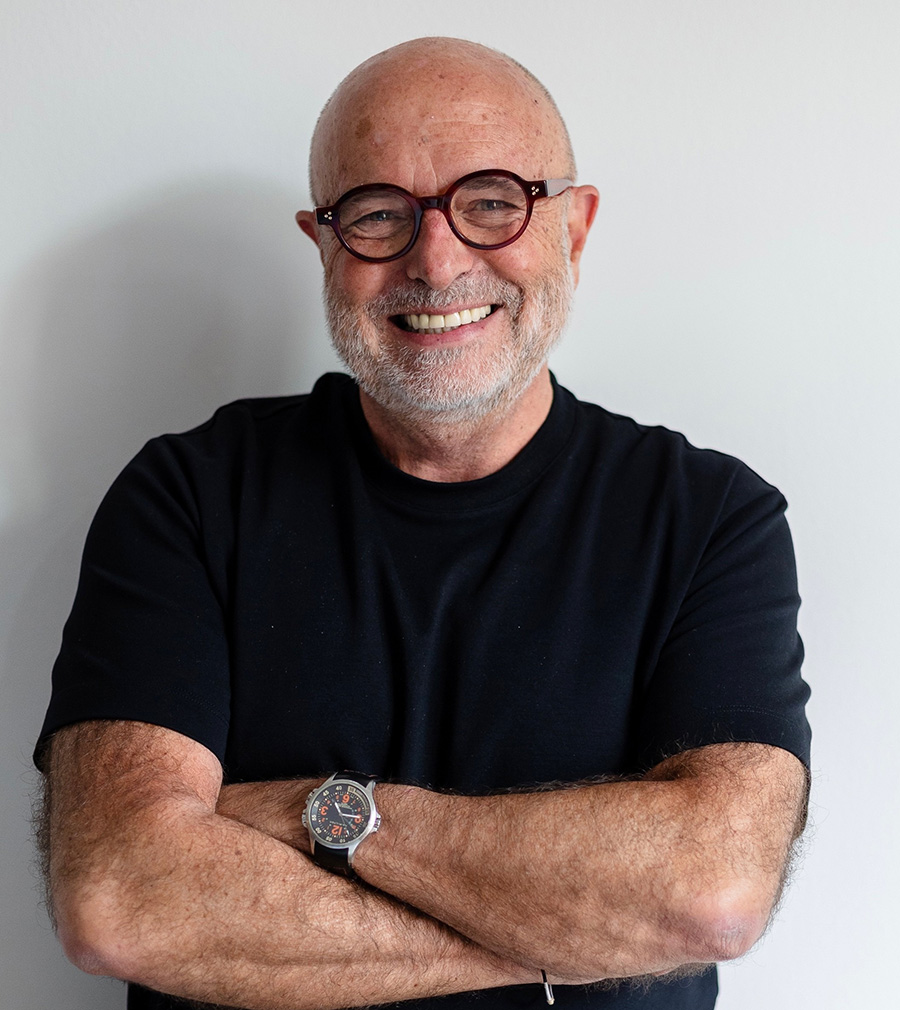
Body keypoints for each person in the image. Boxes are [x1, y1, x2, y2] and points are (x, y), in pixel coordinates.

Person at [34, 36, 811, 1010]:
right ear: (323, 244)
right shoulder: (187, 496)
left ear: (573, 228)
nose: (436, 262)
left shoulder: (711, 519)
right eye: (377, 214)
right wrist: (580, 928)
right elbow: (121, 900)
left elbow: (713, 895)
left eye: (492, 202)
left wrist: (321, 813)